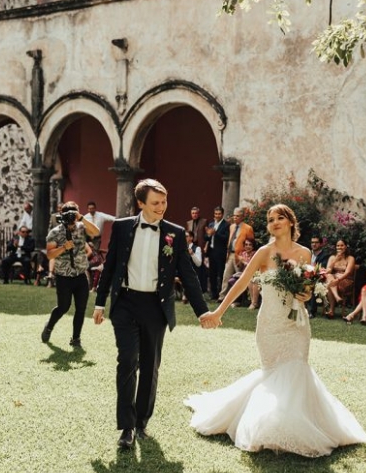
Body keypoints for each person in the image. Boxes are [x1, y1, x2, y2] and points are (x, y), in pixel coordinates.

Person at [186, 204, 366, 457]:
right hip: (270, 324)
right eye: (270, 219)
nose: (274, 222)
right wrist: (218, 312)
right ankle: (270, 426)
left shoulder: (305, 253)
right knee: (273, 375)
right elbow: (241, 283)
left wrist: (305, 293)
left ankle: (298, 426)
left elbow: (306, 290)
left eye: (279, 218)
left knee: (297, 370)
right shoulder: (264, 252)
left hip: (296, 325)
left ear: (291, 222)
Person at [93, 179, 211, 449]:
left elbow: (189, 276)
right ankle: (126, 427)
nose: (162, 207)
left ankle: (141, 420)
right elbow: (109, 266)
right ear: (141, 203)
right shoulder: (122, 228)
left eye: (164, 202)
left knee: (150, 366)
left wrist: (202, 311)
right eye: (156, 203)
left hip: (156, 307)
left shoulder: (175, 233)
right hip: (125, 303)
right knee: (127, 361)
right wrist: (100, 303)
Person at [41, 202, 99, 348]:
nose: (72, 218)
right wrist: (63, 248)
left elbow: (96, 232)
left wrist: (82, 218)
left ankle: (76, 338)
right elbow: (49, 255)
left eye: (75, 214)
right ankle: (49, 326)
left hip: (80, 276)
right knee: (63, 307)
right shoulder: (54, 232)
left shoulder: (81, 227)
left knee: (81, 309)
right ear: (62, 215)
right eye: (70, 215)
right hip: (63, 277)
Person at [219, 207, 255, 299]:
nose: (235, 218)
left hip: (240, 256)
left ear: (242, 217)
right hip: (230, 254)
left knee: (238, 278)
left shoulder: (248, 228)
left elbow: (251, 242)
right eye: (234, 216)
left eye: (237, 216)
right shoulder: (232, 227)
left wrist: (245, 256)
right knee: (226, 276)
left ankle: (237, 299)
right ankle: (222, 297)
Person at [323, 239, 355, 318]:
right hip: (334, 279)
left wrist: (337, 280)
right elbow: (327, 271)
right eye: (338, 245)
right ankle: (337, 298)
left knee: (330, 283)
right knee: (329, 277)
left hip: (346, 280)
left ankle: (331, 310)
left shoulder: (350, 258)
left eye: (342, 245)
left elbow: (347, 273)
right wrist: (335, 260)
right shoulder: (332, 257)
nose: (339, 247)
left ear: (345, 247)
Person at [205, 206, 229, 300]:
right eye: (216, 214)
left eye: (219, 214)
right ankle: (213, 294)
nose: (217, 215)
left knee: (221, 273)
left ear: (222, 214)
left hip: (220, 253)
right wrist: (208, 234)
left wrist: (216, 233)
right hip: (211, 252)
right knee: (212, 274)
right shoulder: (211, 224)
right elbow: (206, 238)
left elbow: (226, 238)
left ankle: (221, 294)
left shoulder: (226, 225)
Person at [306, 234, 331, 318]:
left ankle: (312, 312)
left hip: (318, 277)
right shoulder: (307, 253)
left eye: (316, 242)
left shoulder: (325, 256)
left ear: (321, 244)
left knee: (314, 284)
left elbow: (322, 269)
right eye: (312, 242)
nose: (314, 244)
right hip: (306, 276)